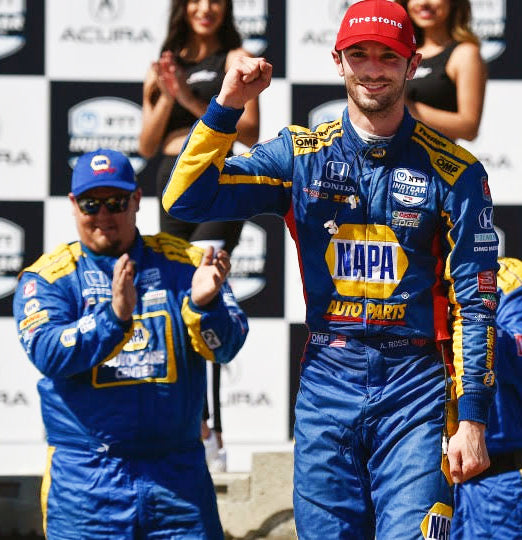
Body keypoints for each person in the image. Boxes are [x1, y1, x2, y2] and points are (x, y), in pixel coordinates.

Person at [161, 0, 500, 537]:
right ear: (337, 61)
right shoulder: (300, 155)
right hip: (328, 380)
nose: (373, 69)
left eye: (388, 56)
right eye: (359, 54)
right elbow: (184, 199)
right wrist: (226, 107)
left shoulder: (455, 172)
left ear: (412, 65)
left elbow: (475, 302)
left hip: (414, 388)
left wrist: (474, 416)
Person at [13, 148, 248, 539]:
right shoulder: (49, 278)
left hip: (178, 479)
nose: (104, 215)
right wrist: (113, 318)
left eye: (116, 202)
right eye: (91, 204)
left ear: (137, 200)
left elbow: (226, 347)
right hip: (87, 482)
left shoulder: (187, 264)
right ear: (73, 205)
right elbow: (48, 353)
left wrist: (205, 307)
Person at [138, 0, 260, 471]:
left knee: (206, 295)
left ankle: (215, 434)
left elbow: (250, 131)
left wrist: (190, 98)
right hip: (171, 182)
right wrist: (169, 92)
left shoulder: (237, 58)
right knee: (178, 298)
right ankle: (196, 426)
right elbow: (147, 143)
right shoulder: (163, 64)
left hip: (219, 179)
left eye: (215, 0)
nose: (206, 8)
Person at [451, 257, 522, 539]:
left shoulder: (511, 276)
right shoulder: (417, 278)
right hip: (423, 474)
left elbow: (516, 352)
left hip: (496, 482)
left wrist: (468, 322)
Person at [396, 0, 487, 141]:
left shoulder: (465, 53)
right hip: (389, 153)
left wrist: (407, 107)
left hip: (433, 154)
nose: (423, 3)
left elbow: (470, 128)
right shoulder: (399, 51)